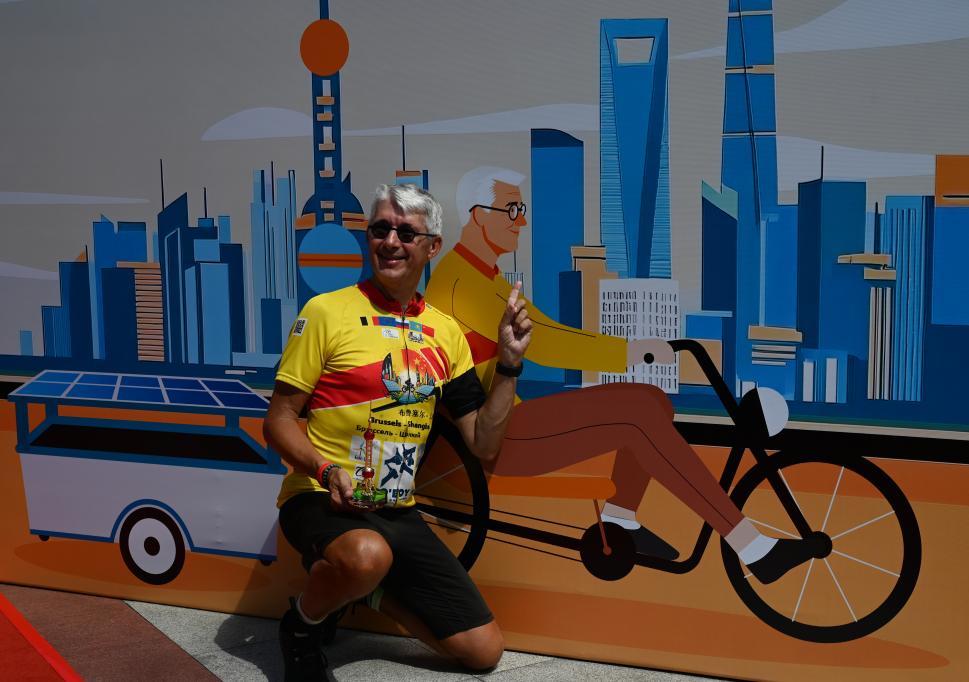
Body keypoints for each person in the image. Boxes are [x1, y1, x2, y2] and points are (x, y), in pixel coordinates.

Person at [425, 166, 816, 576]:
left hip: (505, 419)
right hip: (494, 435)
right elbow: (547, 341)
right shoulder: (462, 283)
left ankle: (620, 518)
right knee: (638, 413)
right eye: (511, 210)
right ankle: (752, 547)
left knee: (650, 400)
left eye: (520, 210)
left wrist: (632, 351)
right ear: (478, 215)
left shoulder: (483, 277)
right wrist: (631, 352)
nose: (521, 222)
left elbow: (546, 329)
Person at [264, 183, 531, 681]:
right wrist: (325, 470)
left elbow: (483, 444)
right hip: (319, 499)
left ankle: (367, 589)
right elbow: (278, 420)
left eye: (407, 233)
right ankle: (300, 629)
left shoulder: (445, 333)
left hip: (396, 511)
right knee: (367, 554)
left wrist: (509, 364)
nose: (390, 242)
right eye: (380, 229)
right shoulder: (325, 312)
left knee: (483, 652)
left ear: (433, 247)